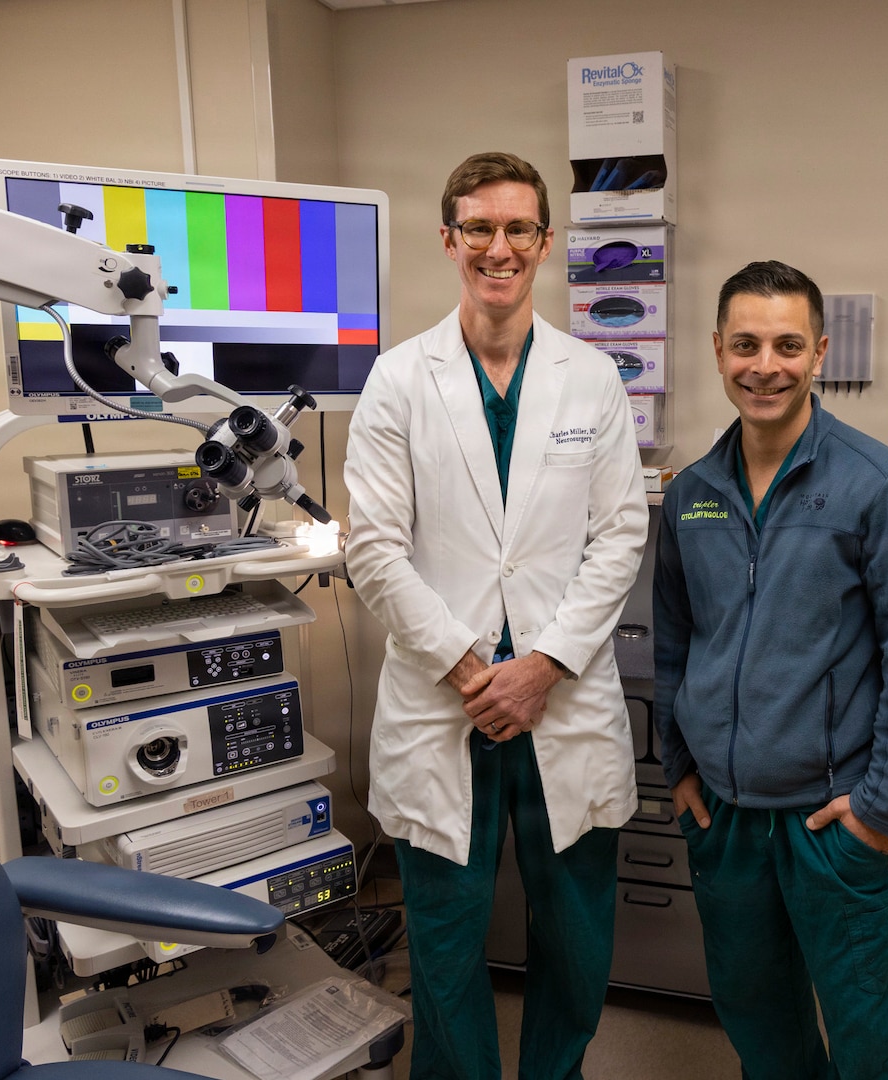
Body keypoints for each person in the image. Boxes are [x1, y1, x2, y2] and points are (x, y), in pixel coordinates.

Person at [344, 151, 648, 1080]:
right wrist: (473, 670)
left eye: (518, 229)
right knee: (443, 944)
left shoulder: (591, 378)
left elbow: (619, 536)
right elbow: (374, 549)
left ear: (546, 243)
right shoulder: (399, 380)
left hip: (561, 696)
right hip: (448, 701)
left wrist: (542, 667)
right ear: (449, 240)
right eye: (478, 227)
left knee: (577, 940)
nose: (498, 248)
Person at [653, 260, 888, 1079]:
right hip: (725, 818)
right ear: (718, 350)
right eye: (746, 344)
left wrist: (881, 812)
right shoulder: (690, 496)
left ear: (819, 352)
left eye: (788, 345)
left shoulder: (880, 487)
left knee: (871, 1039)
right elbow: (674, 640)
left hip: (832, 821)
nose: (766, 366)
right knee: (760, 1024)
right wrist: (678, 769)